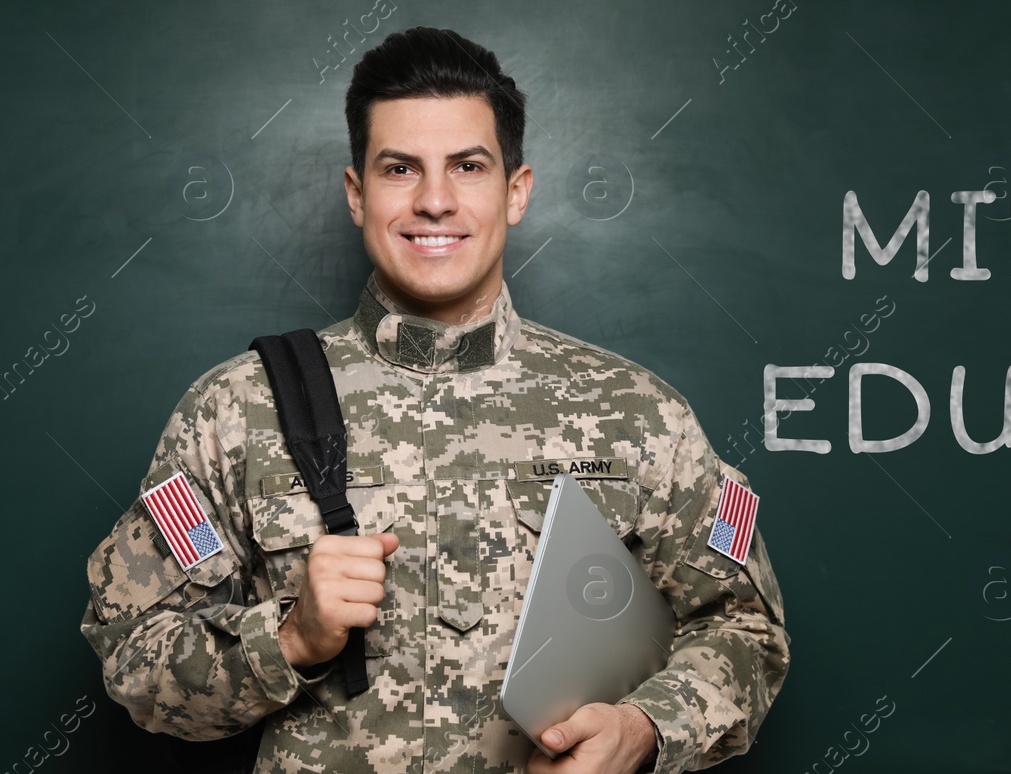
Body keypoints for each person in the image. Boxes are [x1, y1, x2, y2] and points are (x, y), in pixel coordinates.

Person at [79, 26, 789, 774]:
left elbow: (746, 630)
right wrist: (289, 638)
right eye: (399, 169)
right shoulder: (234, 410)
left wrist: (643, 728)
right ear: (357, 194)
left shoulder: (639, 413)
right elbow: (133, 656)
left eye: (469, 166)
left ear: (516, 192)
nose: (435, 201)